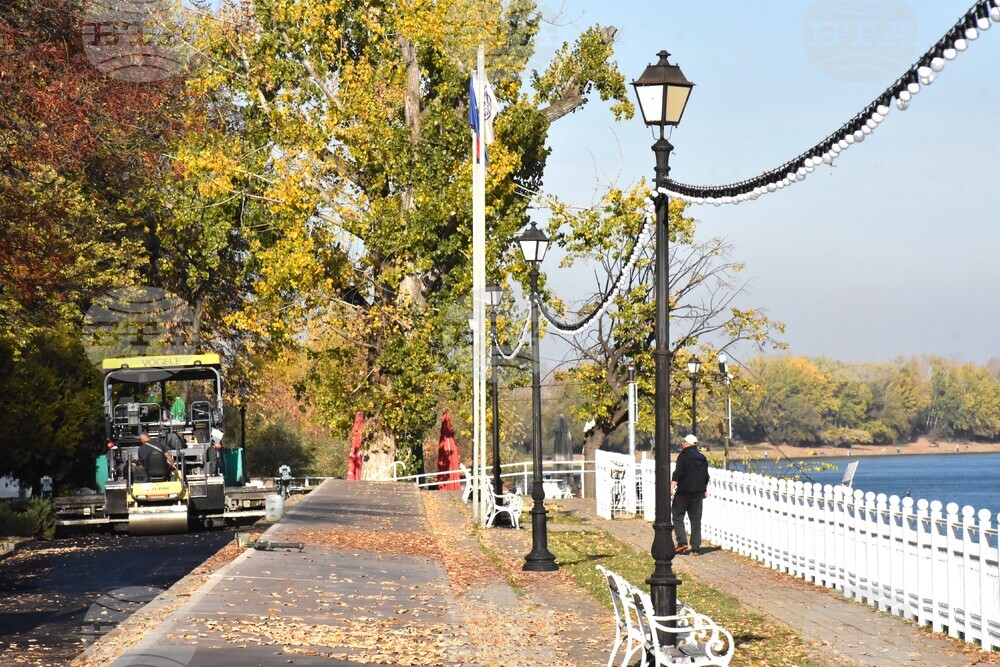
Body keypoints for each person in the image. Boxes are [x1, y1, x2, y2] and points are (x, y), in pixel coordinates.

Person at [671, 433, 710, 556]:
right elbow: (705, 476)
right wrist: (704, 489)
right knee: (695, 519)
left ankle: (682, 542)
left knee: (677, 516)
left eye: (684, 442)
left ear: (688, 443)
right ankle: (696, 548)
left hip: (683, 492)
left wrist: (671, 487)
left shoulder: (683, 456)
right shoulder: (702, 458)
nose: (682, 443)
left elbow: (678, 473)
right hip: (698, 493)